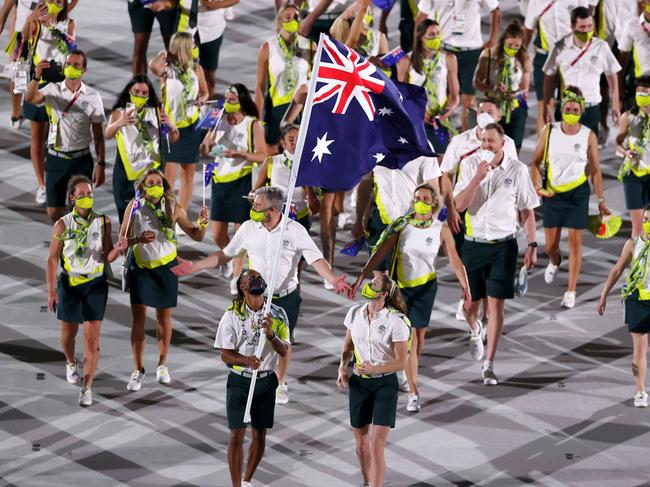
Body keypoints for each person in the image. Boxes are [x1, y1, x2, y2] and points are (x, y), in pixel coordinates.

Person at [172, 186, 352, 405]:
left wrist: (333, 279)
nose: (253, 207)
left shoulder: (294, 231)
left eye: (257, 205)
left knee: (283, 342)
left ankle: (281, 382)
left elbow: (316, 259)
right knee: (252, 339)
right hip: (256, 298)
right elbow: (226, 255)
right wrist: (195, 266)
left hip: (286, 298)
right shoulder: (249, 228)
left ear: (273, 209)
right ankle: (251, 377)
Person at [352, 184, 470, 413]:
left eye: (425, 198)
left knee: (419, 340)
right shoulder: (402, 225)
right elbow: (380, 252)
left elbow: (455, 260)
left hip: (425, 288)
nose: (420, 201)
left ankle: (406, 368)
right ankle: (414, 392)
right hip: (401, 289)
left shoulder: (440, 228)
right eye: (417, 198)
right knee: (411, 341)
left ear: (433, 203)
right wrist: (360, 276)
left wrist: (465, 286)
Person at [453, 123, 539, 385]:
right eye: (483, 141)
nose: (487, 145)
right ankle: (475, 329)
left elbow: (527, 210)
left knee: (496, 305)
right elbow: (458, 205)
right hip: (474, 243)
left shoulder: (517, 170)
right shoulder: (469, 166)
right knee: (470, 305)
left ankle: (489, 364)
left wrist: (533, 245)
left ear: (503, 144)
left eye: (491, 141)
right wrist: (477, 178)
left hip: (504, 245)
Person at [119, 168, 209, 391]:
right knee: (138, 319)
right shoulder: (134, 207)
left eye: (159, 182)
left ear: (165, 185)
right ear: (142, 187)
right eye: (150, 182)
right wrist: (138, 239)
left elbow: (196, 235)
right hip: (141, 268)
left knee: (163, 318)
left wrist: (203, 223)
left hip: (166, 268)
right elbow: (121, 242)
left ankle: (162, 365)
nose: (155, 185)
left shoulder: (173, 207)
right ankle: (137, 369)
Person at [45, 175, 127, 406]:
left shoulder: (103, 222)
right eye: (81, 195)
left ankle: (87, 387)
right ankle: (71, 362)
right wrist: (52, 291)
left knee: (91, 340)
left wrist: (118, 249)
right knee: (68, 334)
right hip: (70, 284)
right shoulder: (62, 224)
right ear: (72, 198)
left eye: (89, 194)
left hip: (95, 284)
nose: (86, 198)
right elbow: (52, 260)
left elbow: (108, 255)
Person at [439, 98, 517, 322]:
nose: (484, 115)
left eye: (490, 111)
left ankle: (475, 303)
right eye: (481, 111)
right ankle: (468, 294)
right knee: (460, 255)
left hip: (492, 209)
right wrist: (451, 208)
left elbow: (512, 177)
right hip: (463, 206)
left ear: (498, 116)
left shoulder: (507, 143)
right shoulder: (460, 141)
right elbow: (445, 174)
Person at [531, 87, 610, 309]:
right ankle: (556, 261)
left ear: (581, 111)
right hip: (553, 193)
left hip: (578, 194)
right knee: (550, 246)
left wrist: (601, 200)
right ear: (561, 109)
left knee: (576, 244)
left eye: (575, 109)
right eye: (567, 108)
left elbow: (595, 170)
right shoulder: (549, 131)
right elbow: (536, 161)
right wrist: (538, 185)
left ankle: (571, 290)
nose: (571, 112)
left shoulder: (588, 135)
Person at [214, 269, 290, 487]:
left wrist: (271, 335)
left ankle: (247, 480)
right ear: (242, 287)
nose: (256, 279)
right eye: (251, 278)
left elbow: (284, 351)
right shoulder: (231, 315)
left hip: (266, 381)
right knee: (236, 435)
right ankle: (236, 484)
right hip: (240, 381)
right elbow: (225, 354)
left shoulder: (277, 313)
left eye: (259, 277)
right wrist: (246, 361)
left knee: (259, 434)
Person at [337, 274, 410, 487]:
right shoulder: (354, 313)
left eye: (374, 284)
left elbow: (400, 363)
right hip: (359, 384)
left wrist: (375, 368)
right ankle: (369, 482)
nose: (369, 285)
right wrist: (342, 368)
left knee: (376, 444)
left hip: (385, 384)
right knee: (361, 446)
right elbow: (348, 347)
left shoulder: (396, 322)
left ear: (384, 294)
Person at [201, 84, 268, 294]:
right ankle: (228, 258)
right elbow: (203, 151)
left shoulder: (252, 124)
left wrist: (239, 154)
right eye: (226, 100)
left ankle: (238, 276)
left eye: (232, 100)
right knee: (217, 233)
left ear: (241, 102)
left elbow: (263, 155)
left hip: (242, 181)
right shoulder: (217, 120)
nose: (227, 104)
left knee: (240, 234)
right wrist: (208, 141)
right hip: (220, 181)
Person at [26, 49, 106, 223]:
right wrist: (36, 77)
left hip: (81, 160)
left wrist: (101, 163)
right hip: (56, 160)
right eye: (68, 64)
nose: (71, 67)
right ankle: (66, 235)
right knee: (53, 212)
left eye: (76, 65)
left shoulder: (93, 97)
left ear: (84, 70)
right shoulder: (52, 90)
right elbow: (30, 98)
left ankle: (76, 244)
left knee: (82, 209)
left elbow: (99, 135)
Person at [415, 0, 501, 131]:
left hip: (471, 52)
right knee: (442, 100)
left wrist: (493, 39)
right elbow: (421, 16)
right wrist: (418, 48)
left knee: (468, 102)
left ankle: (467, 141)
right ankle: (444, 138)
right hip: (444, 50)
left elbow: (495, 9)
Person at [21, 0, 75, 206]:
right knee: (37, 136)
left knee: (60, 137)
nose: (56, 3)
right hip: (39, 82)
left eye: (60, 1)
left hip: (61, 85)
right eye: (52, 0)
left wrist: (57, 29)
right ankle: (42, 184)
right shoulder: (36, 23)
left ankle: (62, 183)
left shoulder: (69, 23)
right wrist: (30, 18)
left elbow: (71, 50)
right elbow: (25, 38)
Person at [105, 75, 180, 223]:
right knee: (127, 221)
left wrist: (171, 125)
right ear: (129, 91)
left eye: (144, 93)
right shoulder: (119, 112)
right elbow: (108, 133)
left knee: (152, 220)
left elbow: (175, 139)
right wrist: (120, 123)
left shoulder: (157, 112)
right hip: (127, 177)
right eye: (136, 91)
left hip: (152, 178)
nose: (140, 95)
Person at [149, 31, 208, 212]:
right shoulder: (167, 71)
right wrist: (166, 53)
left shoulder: (196, 69)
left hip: (191, 127)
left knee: (188, 173)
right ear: (183, 48)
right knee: (168, 176)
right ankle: (167, 213)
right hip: (170, 128)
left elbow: (205, 92)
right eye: (192, 45)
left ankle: (180, 214)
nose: (195, 49)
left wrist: (202, 100)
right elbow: (152, 65)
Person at [598, 204, 650, 408]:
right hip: (637, 298)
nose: (646, 223)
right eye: (645, 220)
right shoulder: (633, 243)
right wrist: (603, 295)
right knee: (640, 348)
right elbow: (617, 270)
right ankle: (640, 391)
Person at [542, 6, 621, 135]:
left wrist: (616, 104)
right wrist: (547, 105)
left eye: (590, 26)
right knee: (566, 149)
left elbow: (612, 75)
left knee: (590, 151)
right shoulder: (560, 47)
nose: (587, 31)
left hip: (591, 108)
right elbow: (549, 77)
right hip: (567, 108)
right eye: (582, 27)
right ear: (572, 27)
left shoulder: (601, 47)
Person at [523, 0, 597, 133]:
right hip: (545, 58)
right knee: (545, 106)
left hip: (571, 59)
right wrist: (521, 57)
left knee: (571, 106)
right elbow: (528, 29)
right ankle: (545, 149)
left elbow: (587, 23)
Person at [255, 3, 310, 149]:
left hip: (302, 108)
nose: (293, 20)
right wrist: (258, 121)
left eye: (296, 17)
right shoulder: (267, 48)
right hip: (277, 109)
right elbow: (260, 87)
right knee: (274, 158)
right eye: (288, 17)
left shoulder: (310, 46)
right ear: (280, 20)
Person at [401, 18, 459, 154]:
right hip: (415, 121)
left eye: (438, 34)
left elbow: (455, 95)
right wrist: (418, 111)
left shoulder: (449, 59)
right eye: (432, 35)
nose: (436, 38)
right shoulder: (407, 60)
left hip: (438, 121)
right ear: (421, 37)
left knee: (439, 163)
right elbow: (401, 95)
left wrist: (449, 110)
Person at [473, 19, 531, 151]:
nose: (513, 49)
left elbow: (525, 87)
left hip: (515, 108)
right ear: (503, 40)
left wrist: (514, 93)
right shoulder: (488, 55)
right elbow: (476, 82)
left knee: (514, 148)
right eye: (510, 45)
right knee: (491, 147)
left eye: (517, 46)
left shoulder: (524, 58)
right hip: (493, 108)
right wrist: (494, 89)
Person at [253, 124, 320, 232]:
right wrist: (254, 196)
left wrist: (307, 184)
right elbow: (255, 192)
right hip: (274, 217)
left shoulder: (310, 164)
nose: (295, 142)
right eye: (291, 139)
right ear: (283, 143)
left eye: (299, 138)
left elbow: (315, 208)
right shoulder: (271, 162)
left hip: (300, 218)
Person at [616, 76, 650, 238]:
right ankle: (636, 261)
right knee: (637, 229)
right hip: (633, 176)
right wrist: (625, 152)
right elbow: (618, 143)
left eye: (645, 93)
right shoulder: (628, 117)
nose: (640, 96)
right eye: (638, 93)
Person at [127, 0, 177, 76]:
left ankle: (175, 85)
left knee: (171, 47)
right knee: (139, 47)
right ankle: (139, 85)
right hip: (139, 3)